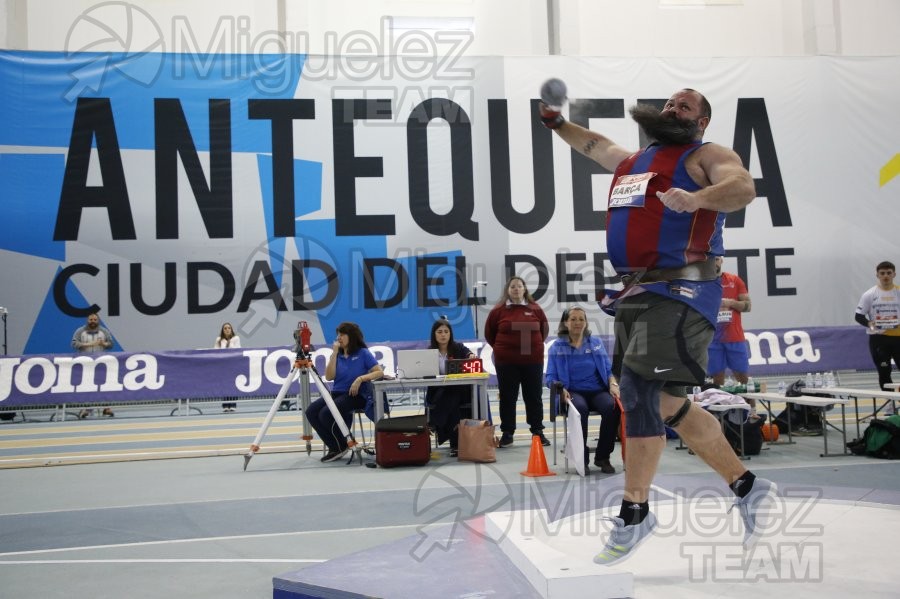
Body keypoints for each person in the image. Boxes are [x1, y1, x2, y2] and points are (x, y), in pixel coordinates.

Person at [540, 86, 775, 563]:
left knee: (640, 391)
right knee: (665, 401)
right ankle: (747, 486)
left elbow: (743, 187)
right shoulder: (633, 162)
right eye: (670, 103)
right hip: (638, 292)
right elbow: (594, 144)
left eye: (685, 106)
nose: (672, 108)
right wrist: (558, 125)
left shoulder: (706, 154)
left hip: (684, 291)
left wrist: (697, 199)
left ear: (701, 122)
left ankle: (635, 511)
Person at [545, 307, 621, 474]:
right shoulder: (557, 347)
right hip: (572, 391)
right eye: (573, 319)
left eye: (581, 319)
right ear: (566, 322)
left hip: (597, 390)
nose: (578, 322)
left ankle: (603, 457)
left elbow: (608, 371)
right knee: (580, 409)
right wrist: (560, 389)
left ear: (586, 322)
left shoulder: (595, 343)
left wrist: (613, 384)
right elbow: (550, 377)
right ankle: (582, 459)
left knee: (612, 407)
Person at [484, 276, 550, 448]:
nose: (516, 289)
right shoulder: (498, 311)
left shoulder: (535, 309)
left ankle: (537, 431)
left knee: (534, 397)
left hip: (533, 362)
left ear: (524, 289)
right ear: (507, 290)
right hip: (506, 363)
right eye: (512, 286)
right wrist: (502, 349)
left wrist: (530, 349)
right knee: (507, 397)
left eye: (519, 286)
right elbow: (489, 333)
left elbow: (544, 330)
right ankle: (507, 433)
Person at [306, 322, 383, 463]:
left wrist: (360, 379)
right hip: (337, 393)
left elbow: (379, 372)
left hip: (356, 395)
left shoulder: (363, 353)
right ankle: (336, 445)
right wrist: (334, 354)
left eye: (342, 335)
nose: (338, 338)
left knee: (326, 413)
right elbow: (329, 377)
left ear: (351, 336)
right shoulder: (337, 355)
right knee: (311, 411)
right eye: (338, 335)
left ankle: (341, 445)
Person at [425, 319, 477, 457]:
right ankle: (455, 445)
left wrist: (471, 356)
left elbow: (469, 354)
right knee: (453, 404)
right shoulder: (429, 351)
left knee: (452, 393)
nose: (443, 335)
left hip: (460, 390)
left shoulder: (459, 348)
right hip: (438, 393)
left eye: (446, 332)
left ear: (450, 334)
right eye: (440, 332)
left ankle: (434, 422)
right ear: (434, 334)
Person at [855, 261, 900, 390]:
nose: (886, 276)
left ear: (894, 274)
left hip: (898, 338)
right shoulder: (869, 294)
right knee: (884, 371)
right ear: (877, 275)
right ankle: (890, 403)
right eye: (882, 273)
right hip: (879, 340)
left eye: (889, 273)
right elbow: (858, 316)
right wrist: (869, 323)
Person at [71, 312, 115, 418]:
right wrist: (89, 344)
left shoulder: (104, 331)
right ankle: (86, 409)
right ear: (87, 320)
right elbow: (73, 343)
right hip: (85, 364)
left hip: (101, 364)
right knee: (86, 386)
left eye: (95, 319)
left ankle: (106, 408)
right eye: (91, 319)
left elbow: (111, 344)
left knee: (103, 386)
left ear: (98, 320)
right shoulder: (80, 331)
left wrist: (104, 344)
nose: (93, 321)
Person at [213, 323, 241, 412]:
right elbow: (215, 351)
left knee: (233, 384)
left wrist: (230, 343)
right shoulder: (218, 340)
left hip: (233, 365)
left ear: (231, 329)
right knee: (224, 384)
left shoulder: (236, 338)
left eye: (229, 328)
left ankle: (233, 404)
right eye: (225, 328)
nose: (227, 330)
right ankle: (225, 405)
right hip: (223, 366)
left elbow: (238, 350)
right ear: (222, 330)